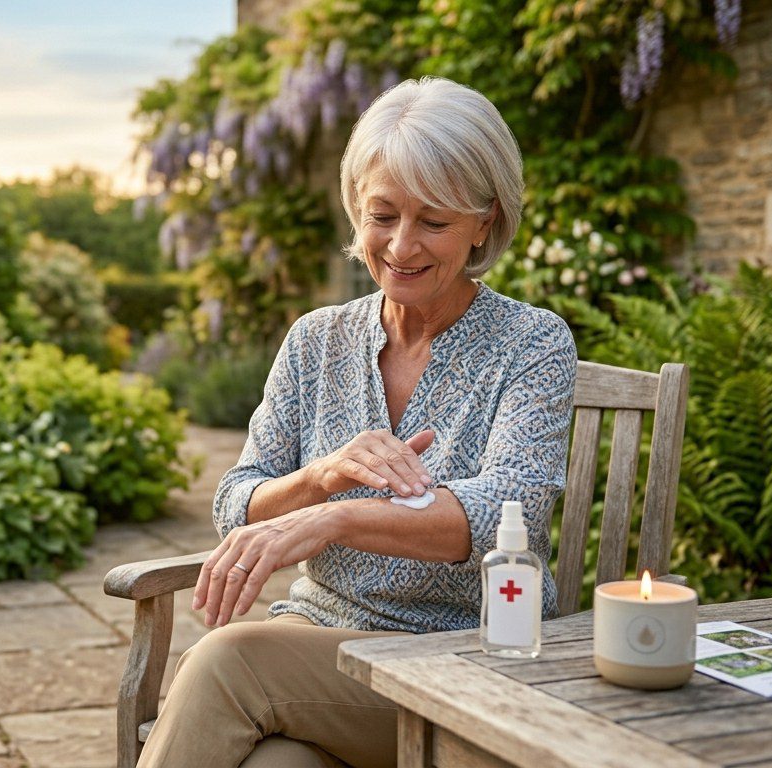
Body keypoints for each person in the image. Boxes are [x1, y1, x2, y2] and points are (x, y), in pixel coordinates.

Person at [136, 77, 576, 768]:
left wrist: (337, 519)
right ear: (355, 208)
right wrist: (323, 477)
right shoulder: (317, 340)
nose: (401, 246)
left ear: (485, 220)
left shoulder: (531, 343)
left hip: (465, 662)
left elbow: (505, 513)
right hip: (324, 652)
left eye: (434, 222)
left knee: (227, 663)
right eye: (382, 215)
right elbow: (237, 502)